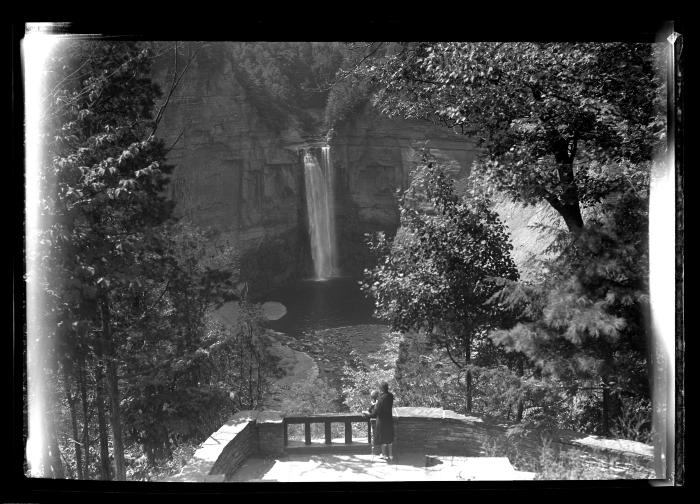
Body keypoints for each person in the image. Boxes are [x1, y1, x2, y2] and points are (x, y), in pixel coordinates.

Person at [368, 381, 394, 462]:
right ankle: (391, 455)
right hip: (389, 419)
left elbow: (375, 413)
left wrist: (373, 406)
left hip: (382, 420)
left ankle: (384, 455)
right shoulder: (390, 396)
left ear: (381, 388)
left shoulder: (381, 398)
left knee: (383, 439)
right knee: (389, 438)